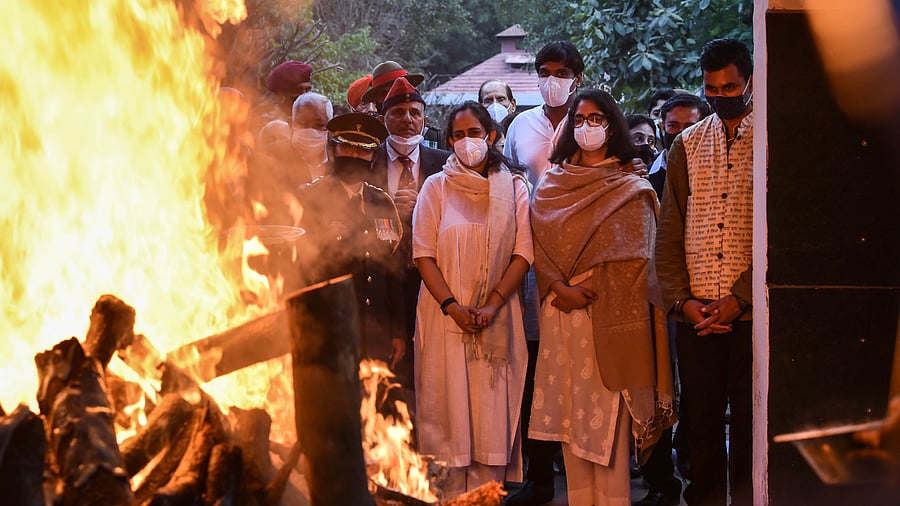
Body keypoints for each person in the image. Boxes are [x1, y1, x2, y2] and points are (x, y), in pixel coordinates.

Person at [529, 88, 675, 506]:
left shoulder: (631, 186)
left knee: (608, 432)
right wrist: (559, 287)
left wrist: (589, 288)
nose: (586, 126)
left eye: (596, 118)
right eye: (579, 118)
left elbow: (640, 259)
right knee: (571, 430)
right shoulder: (552, 183)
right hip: (562, 314)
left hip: (610, 322)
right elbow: (538, 242)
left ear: (612, 125)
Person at [412, 101, 532, 498]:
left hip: (497, 321)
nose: (467, 142)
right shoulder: (436, 186)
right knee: (449, 427)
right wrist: (453, 307)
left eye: (474, 133)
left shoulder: (513, 187)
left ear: (492, 136)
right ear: (448, 141)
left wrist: (492, 305)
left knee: (489, 425)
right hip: (444, 318)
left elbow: (523, 253)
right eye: (458, 135)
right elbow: (423, 254)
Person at [654, 37, 754, 506]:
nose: (721, 97)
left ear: (749, 80)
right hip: (698, 316)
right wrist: (684, 302)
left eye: (730, 86)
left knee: (753, 428)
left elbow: (786, 231)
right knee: (702, 428)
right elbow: (669, 231)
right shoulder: (687, 145)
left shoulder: (773, 138)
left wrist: (742, 297)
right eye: (712, 90)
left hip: (754, 317)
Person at [503, 40, 585, 506]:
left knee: (580, 370)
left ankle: (585, 475)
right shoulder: (520, 126)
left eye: (560, 71)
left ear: (577, 74)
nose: (551, 79)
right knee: (536, 372)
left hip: (581, 264)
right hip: (534, 264)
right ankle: (538, 479)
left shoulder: (593, 123)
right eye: (543, 70)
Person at [294, 112, 406, 369]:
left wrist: (398, 331)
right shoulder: (311, 200)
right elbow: (301, 272)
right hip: (329, 327)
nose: (354, 156)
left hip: (376, 330)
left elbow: (393, 273)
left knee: (375, 404)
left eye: (362, 152)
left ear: (372, 157)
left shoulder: (383, 202)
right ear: (332, 151)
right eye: (347, 148)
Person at [371, 77, 451, 389]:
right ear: (383, 119)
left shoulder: (444, 164)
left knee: (431, 364)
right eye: (398, 113)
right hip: (383, 278)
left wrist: (424, 208)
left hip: (432, 278)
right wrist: (388, 208)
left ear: (425, 119)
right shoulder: (368, 159)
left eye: (414, 113)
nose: (407, 120)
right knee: (389, 367)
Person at [648, 94, 710, 197]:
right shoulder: (644, 174)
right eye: (673, 125)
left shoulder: (716, 172)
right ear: (662, 127)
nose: (681, 133)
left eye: (690, 127)